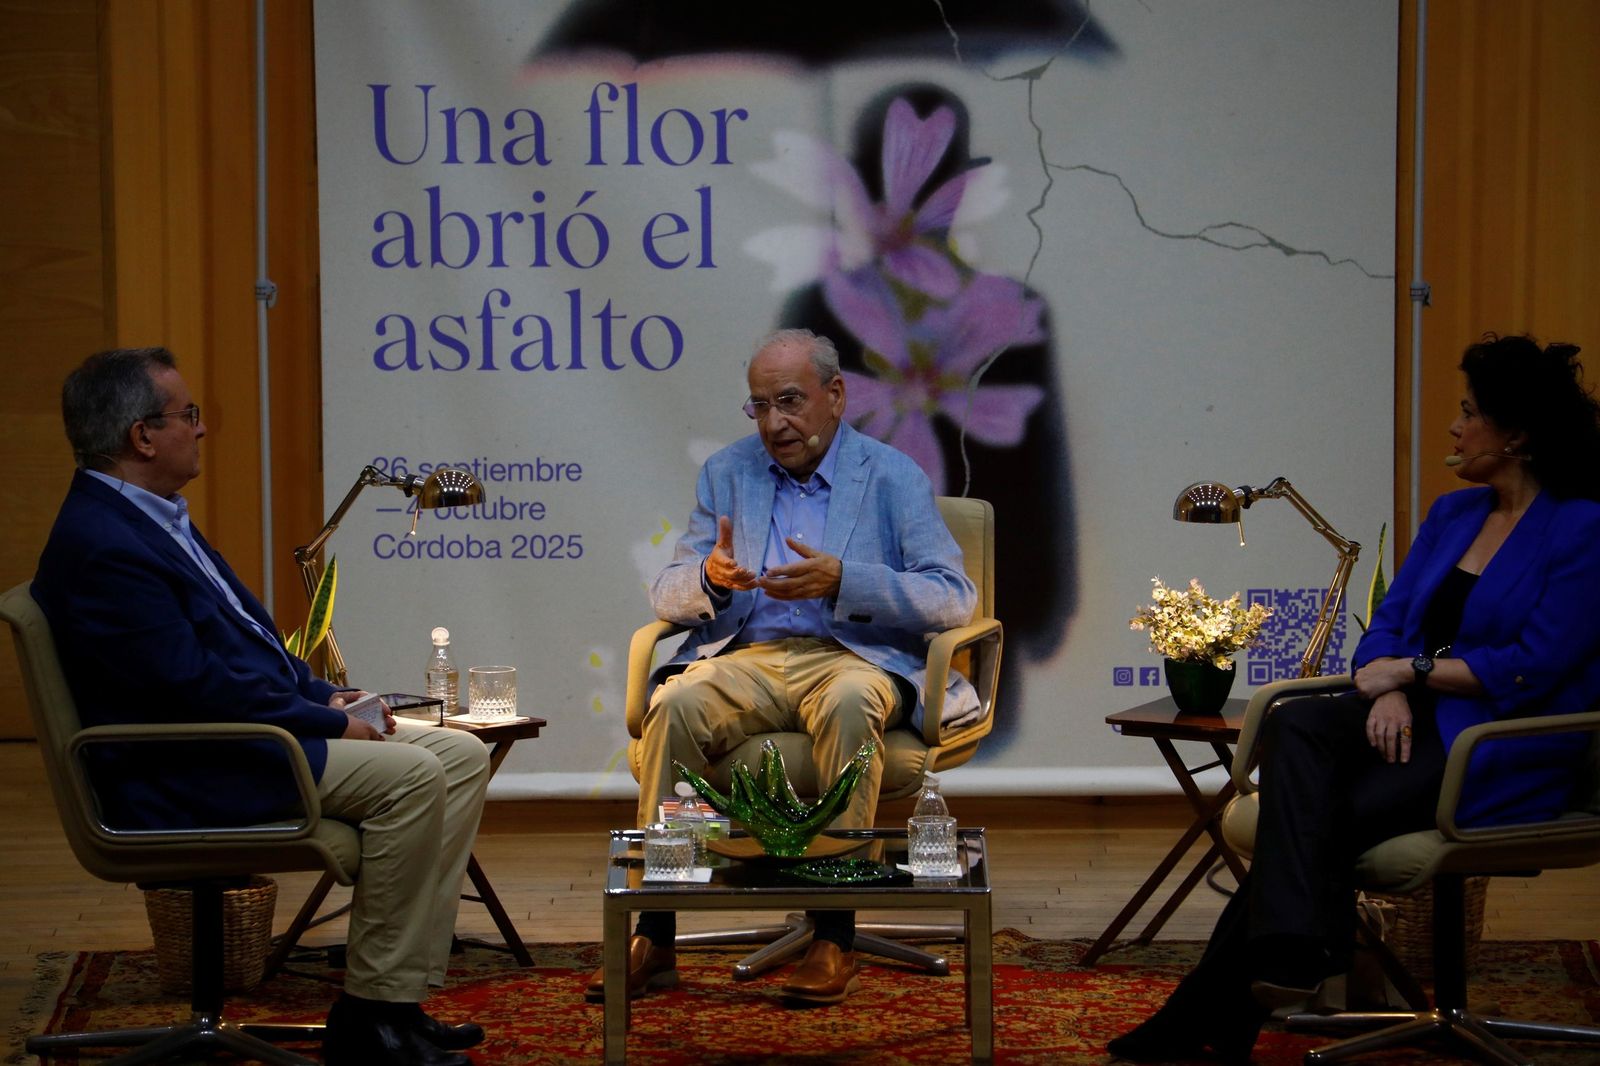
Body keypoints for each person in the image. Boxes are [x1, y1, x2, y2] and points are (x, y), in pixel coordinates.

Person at [1108, 332, 1600, 1062]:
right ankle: (1294, 952)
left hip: (1499, 739)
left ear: (1517, 435)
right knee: (1296, 720)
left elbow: (1535, 664)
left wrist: (1411, 675)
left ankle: (1220, 1003)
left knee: (1321, 819)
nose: (1455, 428)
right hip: (1410, 720)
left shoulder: (1581, 526)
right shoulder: (1453, 515)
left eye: (1470, 413)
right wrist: (1390, 686)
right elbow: (1389, 624)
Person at [32, 348, 491, 1066]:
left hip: (234, 736)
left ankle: (394, 1001)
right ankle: (373, 1018)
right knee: (412, 777)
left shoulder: (147, 515)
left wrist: (319, 693)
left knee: (459, 755)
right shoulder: (103, 544)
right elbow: (194, 687)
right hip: (189, 766)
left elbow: (245, 646)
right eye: (188, 414)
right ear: (142, 436)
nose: (201, 428)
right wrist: (331, 722)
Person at [586, 328, 978, 1006]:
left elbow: (953, 598)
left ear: (835, 395)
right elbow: (668, 592)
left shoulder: (892, 476)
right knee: (673, 705)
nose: (774, 424)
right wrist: (709, 578)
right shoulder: (728, 473)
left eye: (790, 402)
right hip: (749, 658)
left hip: (853, 658)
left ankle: (835, 933)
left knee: (851, 703)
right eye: (760, 406)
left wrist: (846, 580)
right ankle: (656, 932)